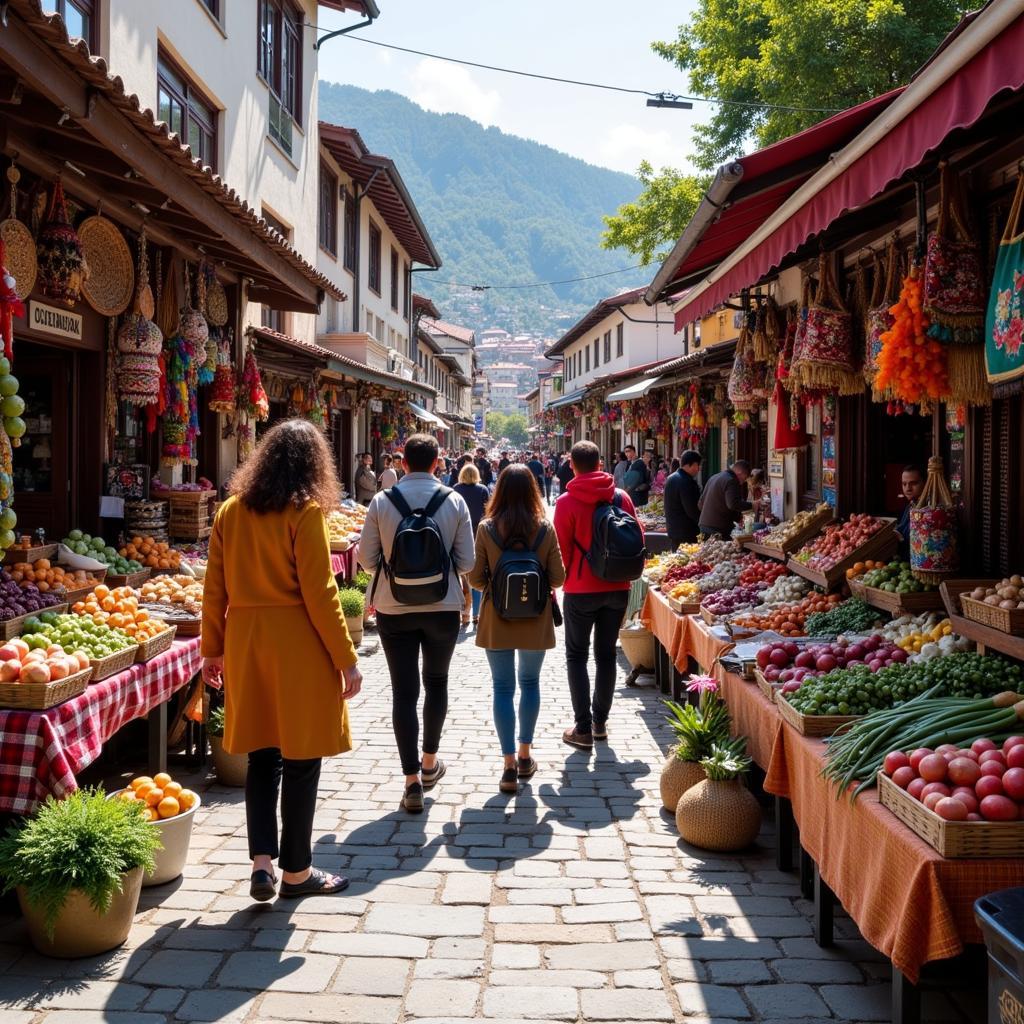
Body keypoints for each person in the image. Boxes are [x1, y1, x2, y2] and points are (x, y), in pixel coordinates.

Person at [201, 419, 362, 901]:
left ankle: (261, 863)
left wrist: (212, 648)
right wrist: (346, 658)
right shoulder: (304, 512)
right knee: (301, 759)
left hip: (248, 642)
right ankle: (297, 871)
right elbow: (321, 594)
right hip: (298, 644)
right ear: (315, 465)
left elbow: (214, 589)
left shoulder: (230, 511)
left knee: (262, 757)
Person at [359, 434, 475, 813]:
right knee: (436, 683)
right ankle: (429, 764)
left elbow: (366, 559)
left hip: (394, 608)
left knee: (404, 692)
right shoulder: (454, 500)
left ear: (403, 464)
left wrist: (395, 573)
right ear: (438, 463)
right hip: (443, 606)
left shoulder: (382, 500)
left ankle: (411, 782)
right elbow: (467, 563)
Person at [469, 466, 566, 792]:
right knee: (530, 683)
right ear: (533, 491)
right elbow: (558, 579)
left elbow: (475, 579)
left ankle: (508, 763)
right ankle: (525, 754)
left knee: (502, 688)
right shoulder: (544, 529)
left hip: (497, 617)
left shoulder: (486, 528)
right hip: (535, 618)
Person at [553, 440, 641, 750]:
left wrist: (556, 586)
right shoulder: (622, 497)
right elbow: (637, 539)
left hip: (580, 589)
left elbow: (561, 551)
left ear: (572, 466)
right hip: (617, 587)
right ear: (601, 464)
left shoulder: (565, 502)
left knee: (576, 656)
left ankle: (582, 728)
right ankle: (600, 723)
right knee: (605, 655)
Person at [453, 462, 490, 626]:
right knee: (477, 573)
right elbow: (488, 512)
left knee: (462, 576)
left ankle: (464, 614)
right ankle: (477, 613)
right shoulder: (482, 490)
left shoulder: (456, 489)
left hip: (459, 534)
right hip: (478, 534)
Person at [698, 460, 752, 538]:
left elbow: (700, 504)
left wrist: (738, 518)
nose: (743, 482)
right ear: (740, 472)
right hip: (718, 528)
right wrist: (752, 505)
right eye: (745, 478)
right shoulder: (731, 480)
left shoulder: (715, 477)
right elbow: (733, 504)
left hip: (704, 525)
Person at [664, 449, 703, 548]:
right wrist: (702, 524)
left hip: (673, 529)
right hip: (686, 532)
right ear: (691, 464)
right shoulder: (686, 482)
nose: (699, 469)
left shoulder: (671, 478)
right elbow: (692, 510)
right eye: (698, 465)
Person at [895, 463, 925, 553]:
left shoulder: (929, 509)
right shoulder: (910, 505)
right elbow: (901, 529)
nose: (908, 488)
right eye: (904, 484)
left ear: (925, 483)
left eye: (913, 483)